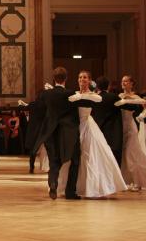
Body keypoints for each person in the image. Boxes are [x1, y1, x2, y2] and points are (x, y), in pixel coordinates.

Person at [59, 71, 127, 198]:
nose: (82, 79)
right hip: (74, 127)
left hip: (88, 125)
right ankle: (70, 187)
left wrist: (80, 97)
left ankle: (92, 187)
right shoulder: (73, 94)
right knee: (72, 158)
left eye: (85, 77)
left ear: (89, 80)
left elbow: (98, 99)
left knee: (90, 156)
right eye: (80, 77)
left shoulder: (92, 95)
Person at [33, 67, 81, 200]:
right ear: (66, 78)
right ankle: (70, 191)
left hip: (50, 131)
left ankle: (52, 182)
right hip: (67, 132)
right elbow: (74, 114)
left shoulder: (45, 94)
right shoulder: (70, 93)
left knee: (54, 160)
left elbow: (39, 111)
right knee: (73, 159)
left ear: (54, 79)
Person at [115, 76, 146, 190]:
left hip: (130, 127)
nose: (124, 83)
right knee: (124, 156)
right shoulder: (119, 96)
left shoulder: (135, 96)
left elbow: (142, 101)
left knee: (132, 154)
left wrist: (126, 99)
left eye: (126, 81)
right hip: (121, 127)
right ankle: (126, 180)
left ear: (131, 83)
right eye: (122, 81)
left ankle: (137, 181)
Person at [91, 77, 123, 165]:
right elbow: (126, 107)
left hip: (98, 129)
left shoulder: (95, 98)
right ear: (108, 86)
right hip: (113, 130)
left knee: (101, 155)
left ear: (97, 87)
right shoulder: (113, 97)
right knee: (113, 155)